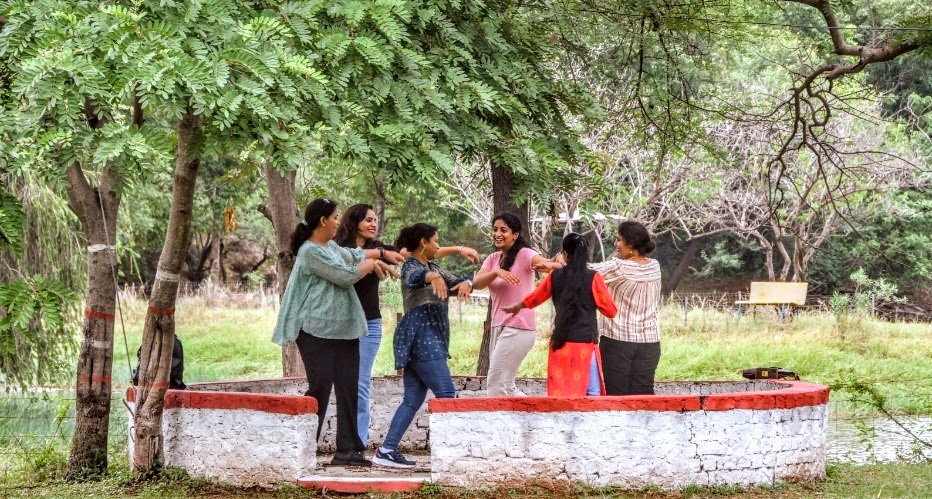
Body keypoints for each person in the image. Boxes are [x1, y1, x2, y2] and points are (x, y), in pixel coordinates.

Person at [335, 204, 480, 447]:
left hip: (370, 322)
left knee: (364, 384)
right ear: (354, 221)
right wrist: (378, 257)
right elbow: (412, 268)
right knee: (347, 383)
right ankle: (362, 445)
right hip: (343, 323)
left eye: (374, 219)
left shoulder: (384, 250)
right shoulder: (343, 250)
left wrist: (459, 250)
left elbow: (419, 252)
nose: (373, 223)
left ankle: (362, 445)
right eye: (367, 219)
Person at [271, 198, 396, 467]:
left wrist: (382, 254)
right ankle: (303, 448)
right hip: (315, 331)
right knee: (320, 388)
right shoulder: (310, 252)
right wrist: (373, 264)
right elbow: (345, 274)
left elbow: (352, 255)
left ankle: (348, 452)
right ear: (323, 221)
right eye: (335, 217)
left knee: (349, 387)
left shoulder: (329, 246)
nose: (339, 221)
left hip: (344, 329)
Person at [373, 223, 473, 468]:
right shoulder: (412, 265)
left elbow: (460, 280)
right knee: (447, 394)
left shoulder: (434, 266)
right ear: (423, 243)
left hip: (432, 337)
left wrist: (467, 282)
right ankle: (452, 458)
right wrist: (432, 276)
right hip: (421, 337)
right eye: (436, 241)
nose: (439, 246)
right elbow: (415, 277)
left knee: (412, 399)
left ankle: (386, 450)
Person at [504, 233, 617, 396]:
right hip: (585, 344)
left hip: (560, 344)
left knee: (561, 394)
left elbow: (536, 297)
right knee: (592, 393)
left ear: (565, 253)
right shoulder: (593, 277)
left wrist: (517, 306)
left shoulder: (555, 275)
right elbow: (611, 311)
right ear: (586, 255)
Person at [472, 212, 561, 396]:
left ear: (515, 234)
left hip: (519, 327)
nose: (498, 233)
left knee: (496, 384)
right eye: (495, 229)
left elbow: (542, 264)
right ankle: (534, 417)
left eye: (503, 230)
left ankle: (501, 423)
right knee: (506, 386)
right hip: (499, 326)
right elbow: (477, 283)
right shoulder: (493, 259)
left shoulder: (525, 254)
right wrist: (497, 272)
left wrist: (552, 263)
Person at [589, 221, 661, 395]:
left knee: (617, 396)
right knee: (644, 395)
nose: (616, 244)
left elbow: (584, 271)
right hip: (650, 342)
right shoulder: (655, 266)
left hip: (618, 341)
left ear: (630, 244)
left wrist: (556, 263)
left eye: (619, 240)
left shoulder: (619, 267)